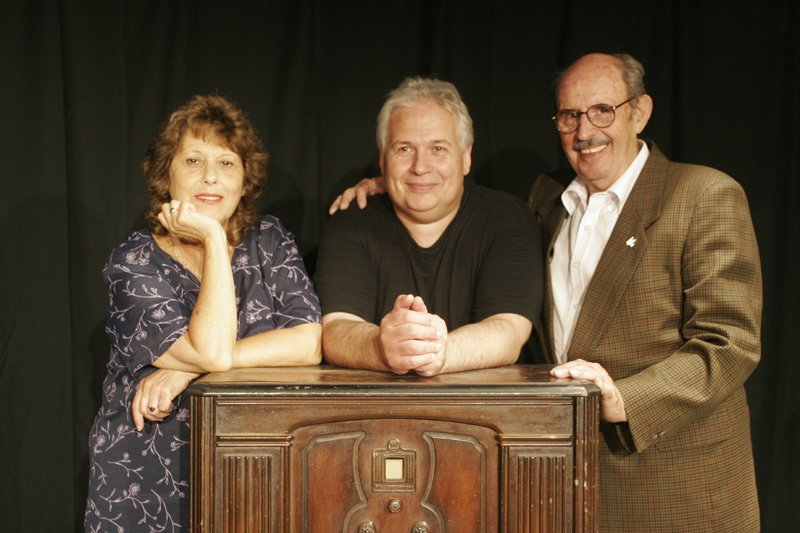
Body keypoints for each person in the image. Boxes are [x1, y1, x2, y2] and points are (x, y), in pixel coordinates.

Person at [329, 54, 762, 532]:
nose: (584, 131)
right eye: (569, 116)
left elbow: (730, 344)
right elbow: (437, 190)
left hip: (674, 485)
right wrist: (391, 185)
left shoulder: (703, 195)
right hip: (563, 481)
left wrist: (625, 399)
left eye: (602, 111)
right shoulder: (547, 199)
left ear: (640, 112)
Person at [84, 95, 322, 532]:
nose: (211, 176)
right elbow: (212, 352)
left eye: (226, 163)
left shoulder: (268, 240)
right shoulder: (132, 264)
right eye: (193, 160)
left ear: (245, 180)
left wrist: (186, 371)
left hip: (254, 466)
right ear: (164, 175)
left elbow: (309, 342)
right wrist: (213, 237)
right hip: (150, 478)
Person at [316, 76, 542, 377]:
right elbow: (336, 330)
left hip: (484, 403)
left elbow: (509, 330)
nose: (420, 167)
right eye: (404, 149)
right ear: (383, 161)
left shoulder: (506, 218)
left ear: (466, 157)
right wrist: (381, 347)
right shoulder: (351, 222)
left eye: (438, 148)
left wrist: (438, 352)